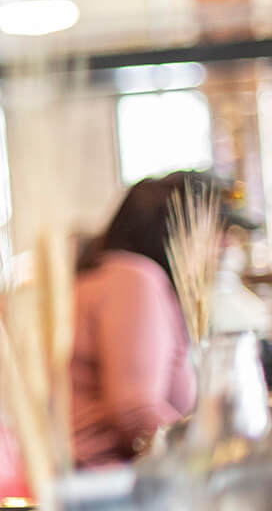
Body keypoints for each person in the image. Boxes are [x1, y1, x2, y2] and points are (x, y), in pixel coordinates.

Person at [69, 170, 215, 464]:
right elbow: (133, 411)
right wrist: (215, 454)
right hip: (115, 491)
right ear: (174, 233)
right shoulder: (133, 279)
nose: (217, 247)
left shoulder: (114, 276)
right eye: (212, 232)